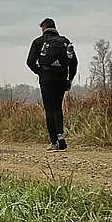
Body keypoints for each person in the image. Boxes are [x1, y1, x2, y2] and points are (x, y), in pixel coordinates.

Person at [26, 18, 78, 151]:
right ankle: (61, 136)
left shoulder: (38, 42)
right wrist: (69, 80)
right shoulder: (65, 41)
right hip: (61, 78)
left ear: (43, 28)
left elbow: (30, 62)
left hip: (46, 79)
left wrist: (40, 72)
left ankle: (54, 142)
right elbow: (74, 63)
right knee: (58, 108)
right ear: (54, 27)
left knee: (49, 109)